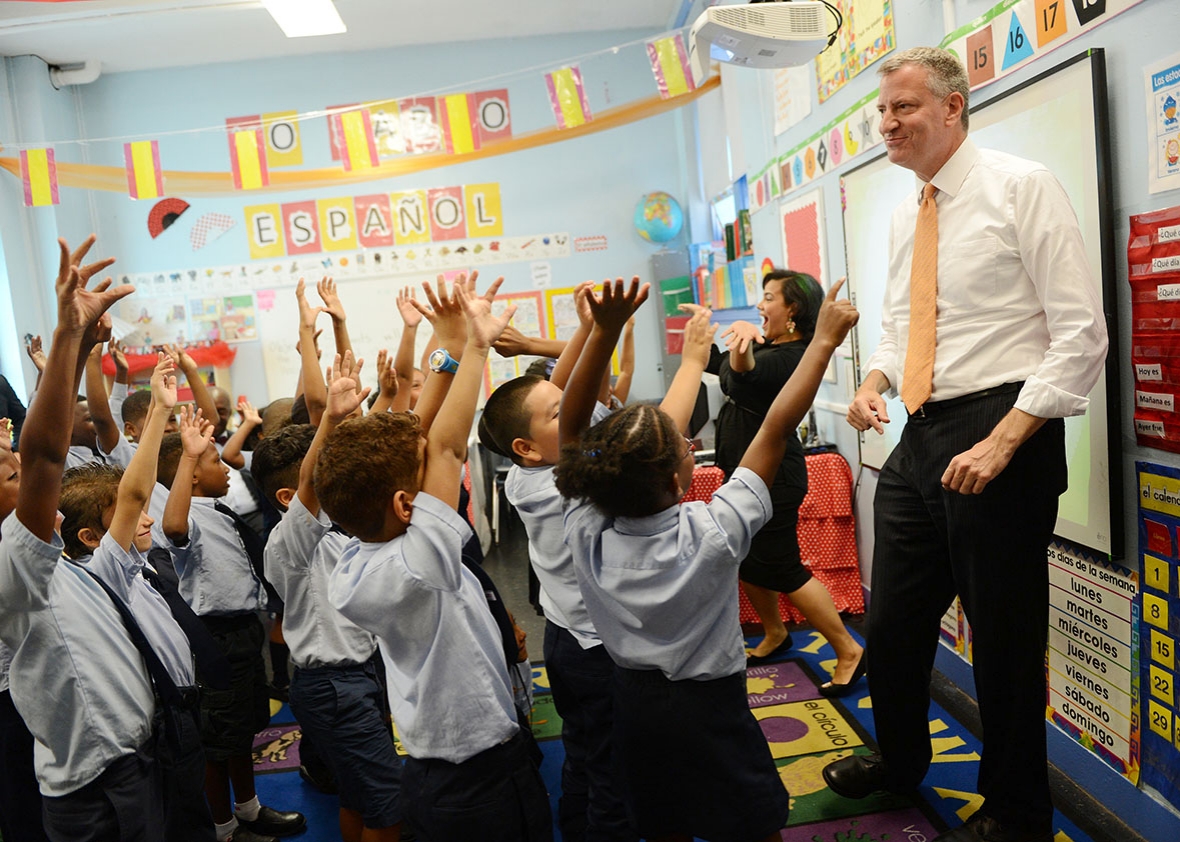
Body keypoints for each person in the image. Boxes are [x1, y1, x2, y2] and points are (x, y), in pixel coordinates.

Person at [822, 47, 1108, 842]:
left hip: (1003, 430)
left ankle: (1018, 815)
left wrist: (1006, 438)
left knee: (1004, 647)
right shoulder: (909, 208)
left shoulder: (1021, 187)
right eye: (882, 111)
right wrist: (877, 378)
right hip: (921, 435)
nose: (888, 123)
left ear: (953, 108)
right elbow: (901, 323)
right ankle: (901, 763)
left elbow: (1083, 336)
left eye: (904, 108)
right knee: (895, 625)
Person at [554, 277, 858, 842]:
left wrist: (606, 330)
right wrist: (822, 343)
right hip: (711, 709)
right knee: (752, 822)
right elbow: (777, 425)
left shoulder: (585, 530)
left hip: (634, 704)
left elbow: (571, 432)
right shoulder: (713, 530)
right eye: (684, 446)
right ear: (679, 477)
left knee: (661, 821)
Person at [323, 277, 552, 841]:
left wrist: (446, 341)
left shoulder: (360, 549)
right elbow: (445, 445)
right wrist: (474, 346)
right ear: (407, 504)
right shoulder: (417, 563)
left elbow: (416, 435)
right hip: (473, 774)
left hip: (442, 757)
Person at [479, 281, 635, 842]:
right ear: (524, 446)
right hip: (593, 648)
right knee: (611, 768)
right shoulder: (559, 482)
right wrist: (605, 332)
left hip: (569, 638)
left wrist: (590, 327)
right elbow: (572, 393)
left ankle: (574, 823)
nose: (569, 406)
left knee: (585, 751)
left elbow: (563, 386)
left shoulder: (530, 469)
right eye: (555, 413)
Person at [58, 354, 214, 842]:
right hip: (141, 737)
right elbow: (131, 496)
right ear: (89, 539)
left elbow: (131, 500)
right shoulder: (99, 572)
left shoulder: (129, 565)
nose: (145, 519)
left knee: (192, 818)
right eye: (129, 518)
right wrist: (162, 413)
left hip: (173, 714)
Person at [695, 270, 865, 692]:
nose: (760, 305)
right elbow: (720, 365)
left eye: (769, 298)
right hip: (748, 477)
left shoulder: (794, 356)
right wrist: (719, 334)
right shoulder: (769, 348)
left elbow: (744, 373)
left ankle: (848, 649)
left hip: (776, 479)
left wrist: (743, 343)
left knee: (783, 567)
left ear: (793, 310)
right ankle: (775, 633)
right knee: (746, 558)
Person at [253, 402, 405, 842]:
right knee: (386, 798)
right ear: (290, 498)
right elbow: (309, 479)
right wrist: (331, 420)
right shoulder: (290, 542)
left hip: (358, 677)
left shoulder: (335, 533)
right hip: (334, 687)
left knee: (359, 794)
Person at [156, 409, 305, 842]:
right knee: (217, 742)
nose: (225, 468)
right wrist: (188, 457)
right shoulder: (186, 516)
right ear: (192, 476)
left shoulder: (219, 511)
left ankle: (248, 808)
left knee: (241, 732)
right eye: (214, 462)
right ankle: (223, 828)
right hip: (213, 639)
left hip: (244, 632)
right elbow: (173, 524)